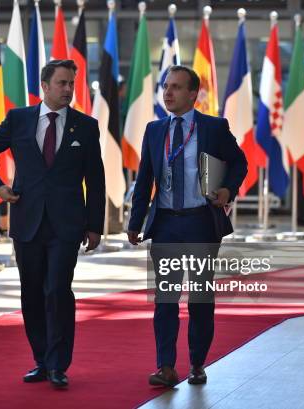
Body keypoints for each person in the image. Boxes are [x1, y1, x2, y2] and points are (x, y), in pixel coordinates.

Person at [0, 60, 105, 388]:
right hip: (27, 220)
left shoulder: (86, 126)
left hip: (67, 224)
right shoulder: (18, 119)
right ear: (44, 86)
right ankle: (42, 361)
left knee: (57, 290)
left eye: (71, 84)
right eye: (61, 83)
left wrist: (95, 225)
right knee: (32, 292)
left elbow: (96, 179)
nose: (67, 89)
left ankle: (59, 364)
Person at [127, 66, 247, 387]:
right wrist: (135, 222)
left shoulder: (213, 127)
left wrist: (228, 190)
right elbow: (144, 181)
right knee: (165, 299)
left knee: (199, 299)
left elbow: (239, 162)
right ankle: (165, 367)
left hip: (200, 224)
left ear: (193, 94)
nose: (168, 93)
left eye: (176, 87)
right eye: (166, 87)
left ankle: (197, 363)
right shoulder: (154, 131)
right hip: (165, 223)